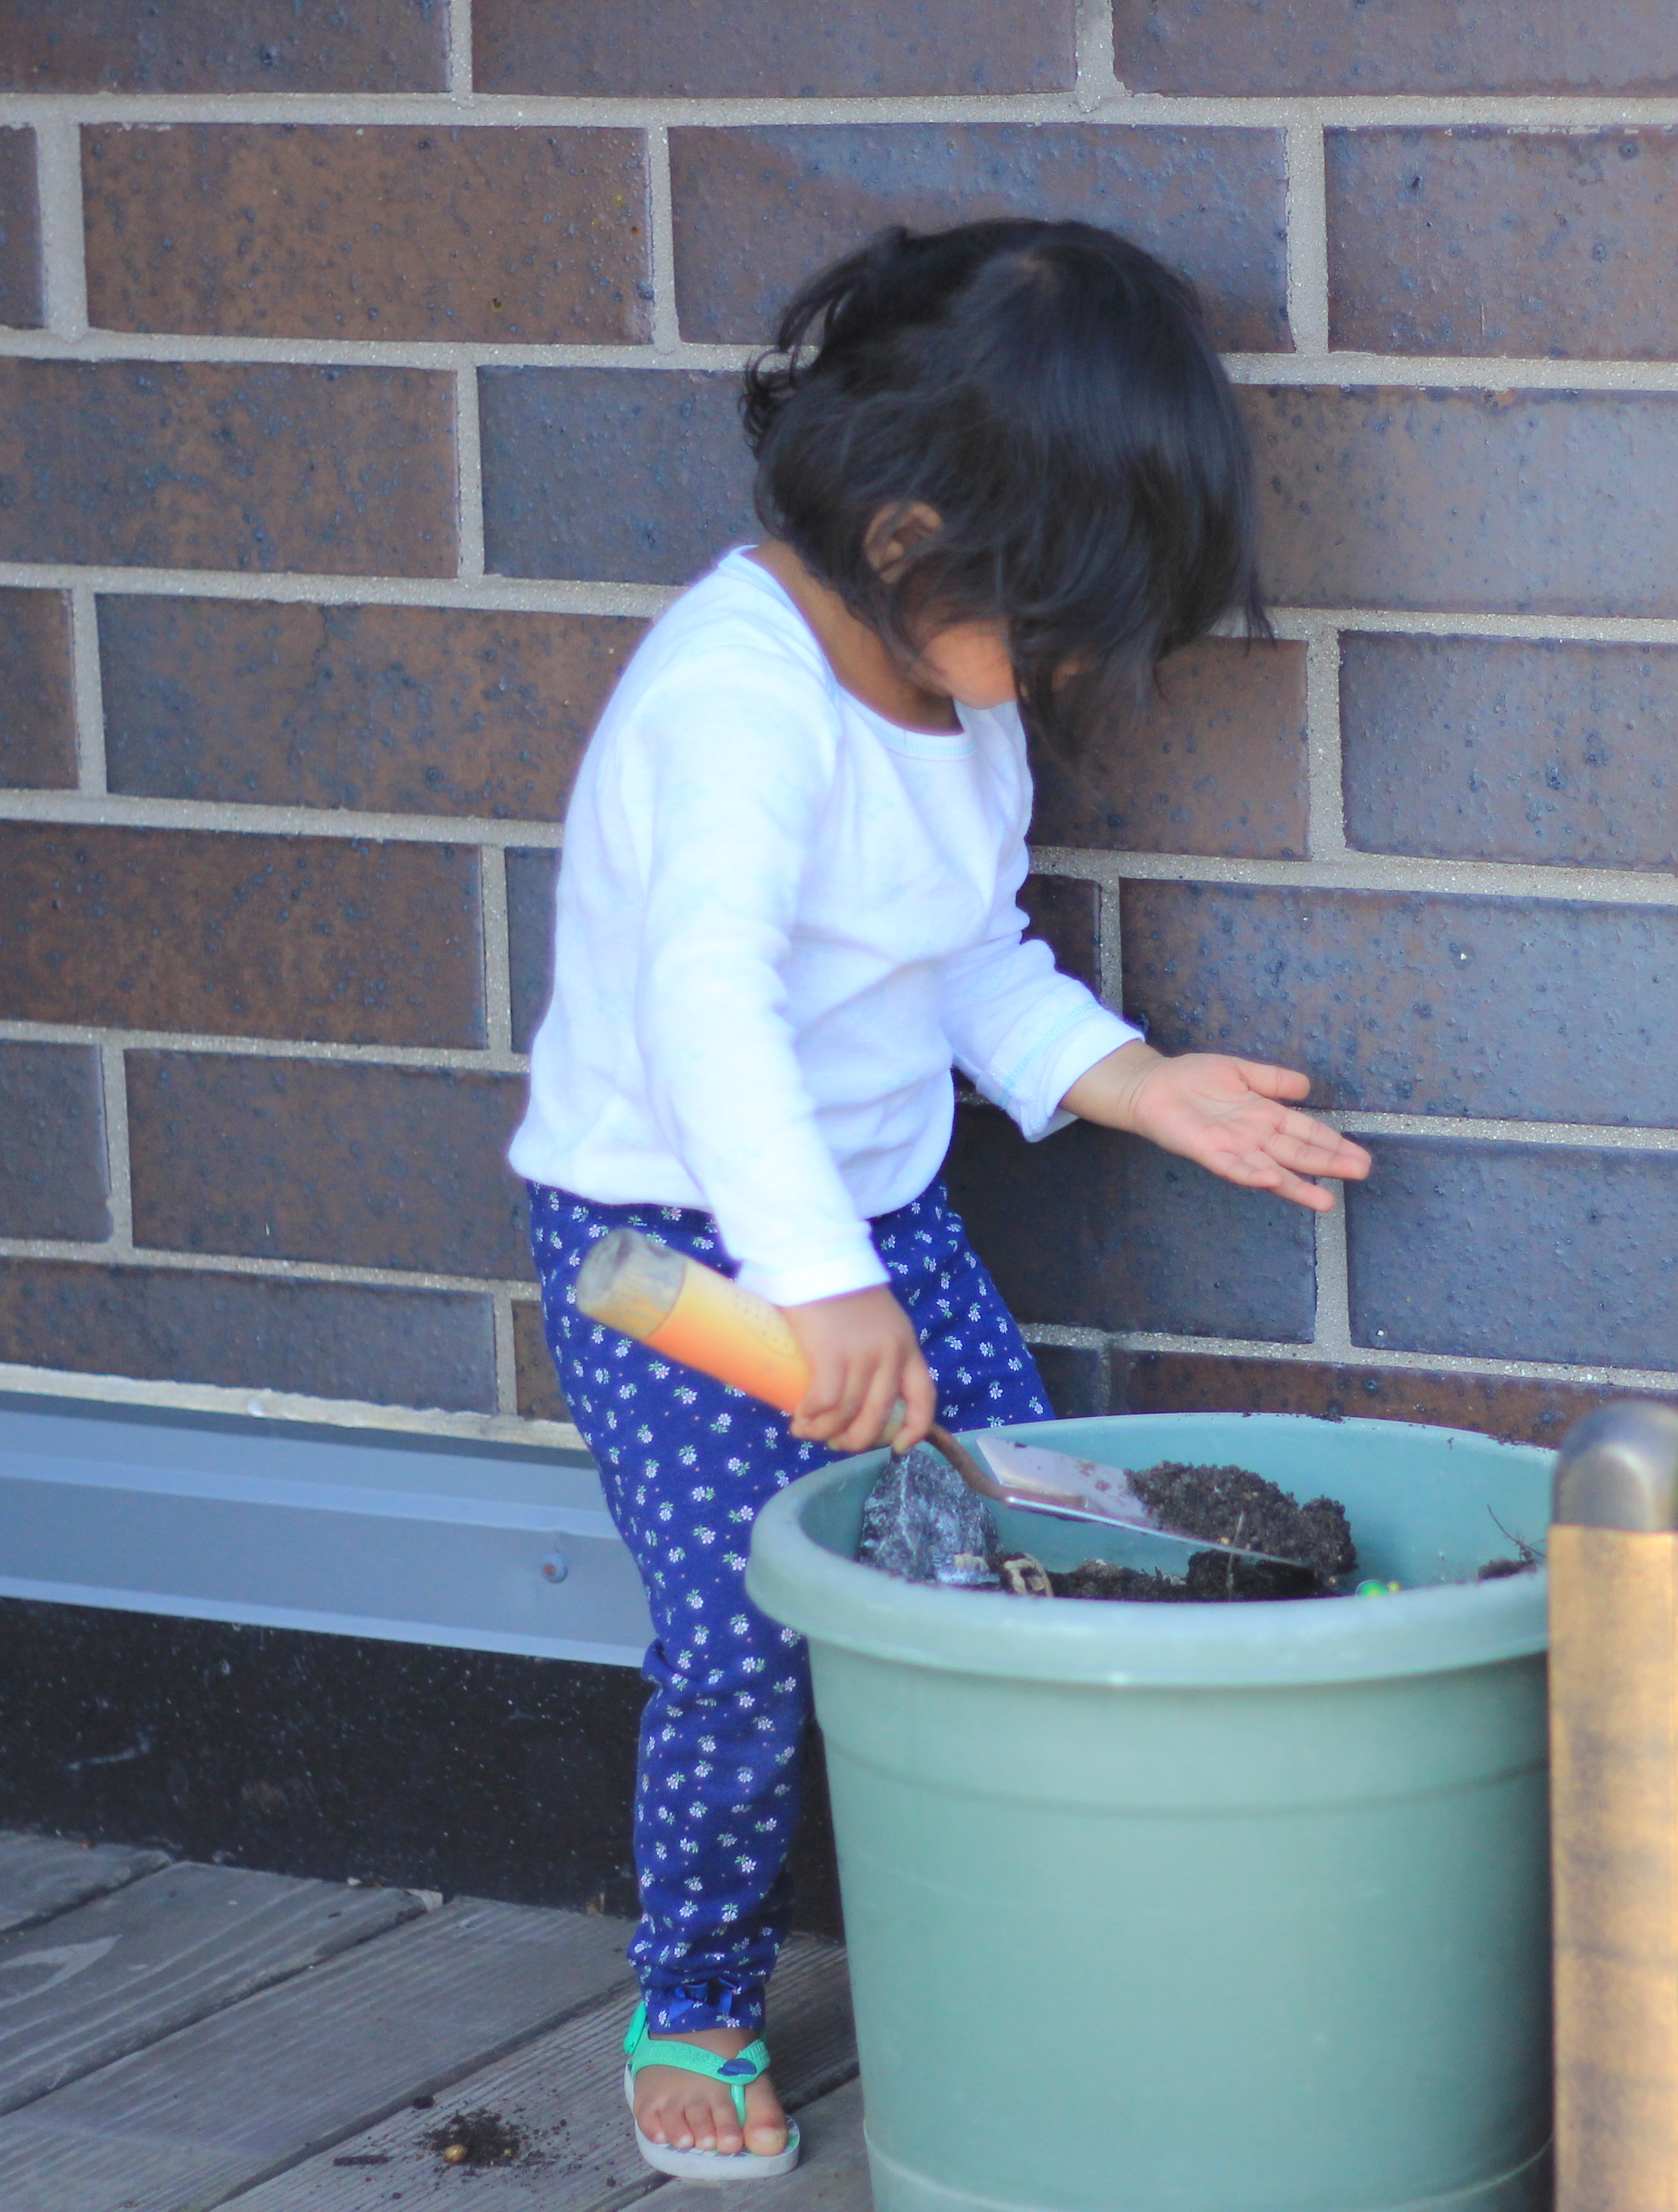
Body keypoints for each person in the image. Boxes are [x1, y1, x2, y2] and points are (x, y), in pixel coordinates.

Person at [506, 219, 1369, 2183]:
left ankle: (1045, 1943)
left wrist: (1131, 1081)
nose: (1062, 674)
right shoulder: (734, 702)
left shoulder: (954, 702)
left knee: (1019, 1542)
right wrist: (812, 1285)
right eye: (1053, 628)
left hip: (872, 1228)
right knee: (747, 1630)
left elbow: (961, 954)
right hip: (668, 1246)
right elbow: (703, 1012)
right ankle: (699, 1999)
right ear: (910, 541)